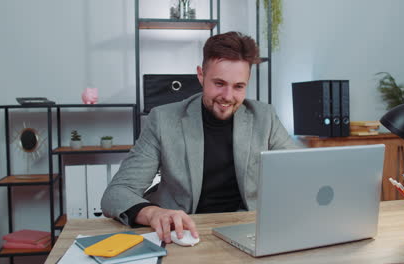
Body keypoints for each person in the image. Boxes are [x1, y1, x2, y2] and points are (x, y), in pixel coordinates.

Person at [101, 31, 299, 244]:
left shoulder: (264, 117)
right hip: (183, 233)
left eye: (238, 86)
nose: (228, 96)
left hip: (247, 230)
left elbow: (300, 172)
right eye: (219, 83)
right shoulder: (163, 119)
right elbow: (117, 192)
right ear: (201, 75)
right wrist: (153, 213)